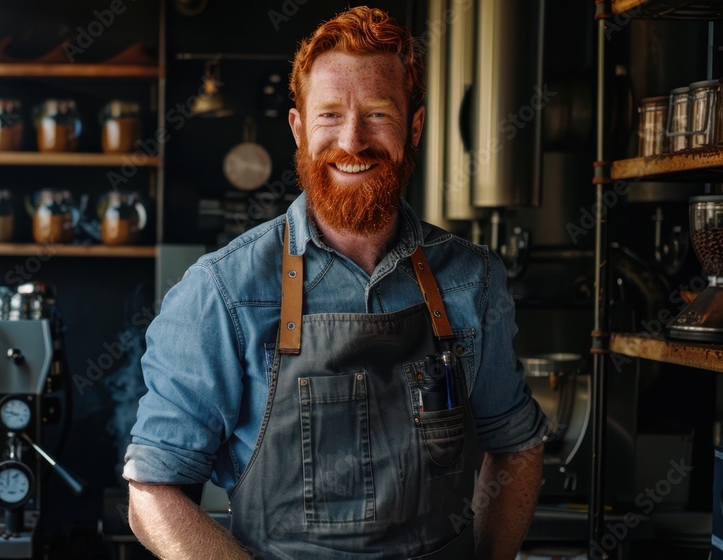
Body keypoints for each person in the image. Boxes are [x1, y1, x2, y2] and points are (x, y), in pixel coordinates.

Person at [124, 6, 547, 559]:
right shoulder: (222, 290)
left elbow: (518, 447)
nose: (352, 141)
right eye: (329, 115)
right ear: (299, 128)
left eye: (377, 114)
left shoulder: (473, 279)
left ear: (412, 127)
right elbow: (152, 491)